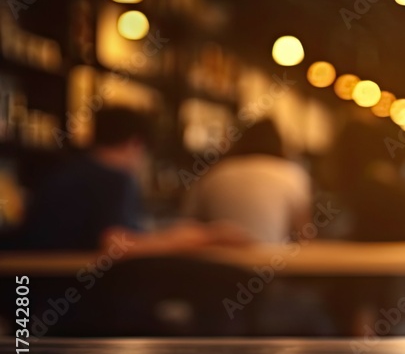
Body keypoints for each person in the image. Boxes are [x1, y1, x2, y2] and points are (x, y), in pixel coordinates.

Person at [17, 107, 246, 252]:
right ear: (135, 144)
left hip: (26, 291)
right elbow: (115, 244)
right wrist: (200, 238)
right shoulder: (113, 178)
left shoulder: (66, 171)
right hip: (67, 297)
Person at [184, 119, 311, 244]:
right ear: (280, 145)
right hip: (270, 259)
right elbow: (303, 233)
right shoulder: (292, 174)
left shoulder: (215, 172)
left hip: (216, 262)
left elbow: (190, 224)